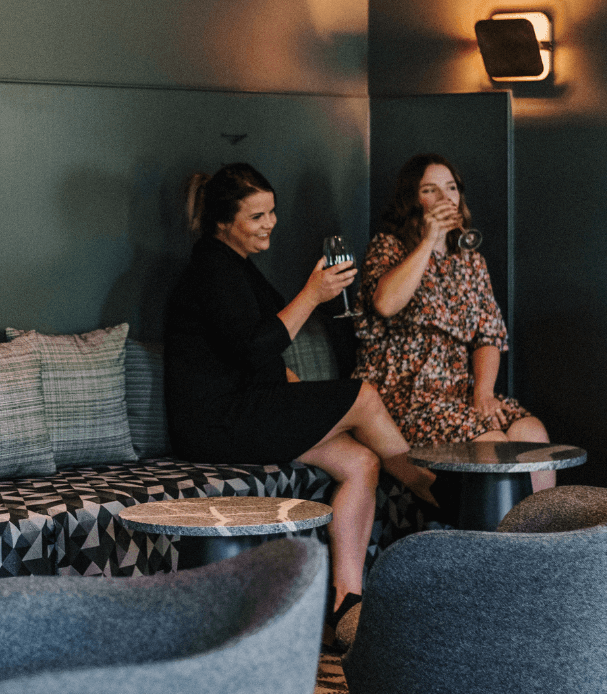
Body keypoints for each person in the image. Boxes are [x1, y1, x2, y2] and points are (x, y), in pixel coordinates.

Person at [164, 163, 437, 632]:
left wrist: (297, 383)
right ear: (224, 222)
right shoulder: (210, 270)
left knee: (360, 462)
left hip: (247, 409)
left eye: (272, 212)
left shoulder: (237, 266)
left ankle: (346, 603)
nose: (270, 223)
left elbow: (257, 348)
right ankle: (436, 492)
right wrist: (312, 294)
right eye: (257, 217)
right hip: (217, 424)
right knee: (365, 397)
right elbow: (256, 345)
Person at [354, 154, 553, 504]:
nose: (445, 198)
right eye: (430, 190)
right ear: (412, 199)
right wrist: (428, 242)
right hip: (406, 394)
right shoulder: (388, 247)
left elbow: (488, 334)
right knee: (496, 445)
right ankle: (494, 547)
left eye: (451, 188)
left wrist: (484, 393)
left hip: (458, 393)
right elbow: (386, 303)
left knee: (531, 432)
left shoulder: (471, 259)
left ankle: (536, 541)